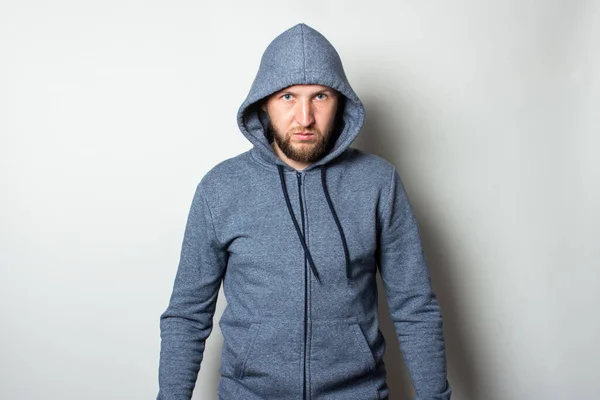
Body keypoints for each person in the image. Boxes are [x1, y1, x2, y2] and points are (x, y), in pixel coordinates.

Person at [157, 23, 452, 400]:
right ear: (264, 101)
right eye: (288, 97)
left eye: (321, 96)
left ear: (341, 101)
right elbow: (187, 315)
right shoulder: (221, 188)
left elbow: (415, 307)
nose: (305, 117)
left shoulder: (378, 183)